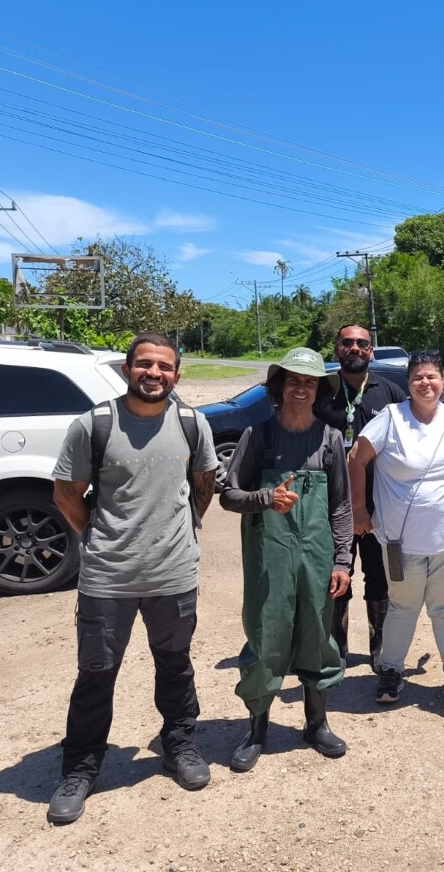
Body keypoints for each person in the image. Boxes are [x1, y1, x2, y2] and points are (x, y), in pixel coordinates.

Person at [48, 333, 218, 824]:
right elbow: (66, 494)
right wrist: (100, 538)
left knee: (175, 665)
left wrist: (178, 532)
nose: (154, 373)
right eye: (144, 364)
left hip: (173, 574)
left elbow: (203, 486)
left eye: (164, 366)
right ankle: (80, 769)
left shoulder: (192, 423)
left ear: (177, 375)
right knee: (96, 674)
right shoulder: (94, 425)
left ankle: (179, 746)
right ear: (127, 370)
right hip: (108, 578)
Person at [219, 348, 354, 772]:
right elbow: (229, 495)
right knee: (266, 636)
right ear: (280, 386)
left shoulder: (331, 440)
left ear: (319, 391)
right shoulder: (258, 436)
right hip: (269, 558)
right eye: (294, 380)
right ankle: (257, 730)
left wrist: (343, 561)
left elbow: (341, 506)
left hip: (318, 556)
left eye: (309, 382)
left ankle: (316, 724)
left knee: (318, 635)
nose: (301, 388)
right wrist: (266, 498)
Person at [348, 350, 444, 710]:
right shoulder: (391, 418)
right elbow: (356, 458)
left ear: (442, 381)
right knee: (402, 607)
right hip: (400, 542)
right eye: (418, 377)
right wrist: (360, 509)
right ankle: (391, 671)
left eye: (432, 376)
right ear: (408, 384)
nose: (425, 383)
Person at [317, 324, 407, 670]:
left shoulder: (390, 392)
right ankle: (336, 648)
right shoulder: (322, 391)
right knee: (335, 574)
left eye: (361, 343)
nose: (354, 348)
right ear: (337, 349)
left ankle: (379, 647)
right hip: (330, 503)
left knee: (380, 576)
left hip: (379, 503)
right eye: (347, 342)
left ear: (371, 351)